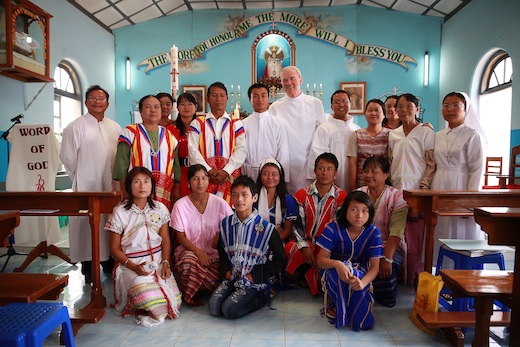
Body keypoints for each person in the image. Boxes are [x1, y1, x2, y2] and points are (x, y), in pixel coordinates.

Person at [60, 85, 122, 283]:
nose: (97, 101)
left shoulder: (115, 126)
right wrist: (82, 177)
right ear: (86, 102)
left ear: (108, 103)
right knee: (89, 227)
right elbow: (68, 158)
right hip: (88, 183)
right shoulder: (75, 126)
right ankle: (89, 265)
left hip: (111, 185)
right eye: (93, 98)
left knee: (111, 222)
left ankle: (110, 261)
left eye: (101, 98)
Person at [106, 167, 182, 327]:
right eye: (137, 182)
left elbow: (166, 240)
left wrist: (166, 263)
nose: (142, 186)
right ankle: (136, 298)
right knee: (156, 306)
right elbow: (114, 249)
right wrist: (134, 267)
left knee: (176, 302)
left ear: (152, 186)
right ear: (129, 186)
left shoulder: (160, 208)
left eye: (146, 181)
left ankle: (144, 298)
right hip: (131, 267)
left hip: (159, 265)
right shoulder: (119, 212)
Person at [209, 175, 285, 319]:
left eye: (245, 195)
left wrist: (255, 276)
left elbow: (280, 258)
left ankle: (262, 296)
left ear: (254, 198)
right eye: (235, 195)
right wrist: (226, 271)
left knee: (228, 310)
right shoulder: (226, 224)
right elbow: (222, 251)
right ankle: (235, 289)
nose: (240, 200)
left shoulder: (266, 228)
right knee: (214, 308)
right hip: (233, 276)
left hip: (253, 280)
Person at [316, 191, 383, 330]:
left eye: (365, 211)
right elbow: (320, 260)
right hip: (333, 270)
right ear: (345, 210)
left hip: (360, 273)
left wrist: (363, 283)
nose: (359, 215)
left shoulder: (373, 232)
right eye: (354, 210)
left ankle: (347, 310)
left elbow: (375, 267)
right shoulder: (333, 228)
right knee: (339, 275)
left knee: (356, 277)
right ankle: (345, 308)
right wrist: (337, 264)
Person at [431, 92, 484, 264]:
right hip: (440, 183)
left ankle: (462, 270)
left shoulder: (472, 135)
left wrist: (470, 199)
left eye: (456, 105)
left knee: (461, 228)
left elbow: (477, 168)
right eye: (446, 105)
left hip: (462, 183)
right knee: (442, 227)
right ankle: (441, 270)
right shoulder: (437, 135)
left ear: (465, 110)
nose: (450, 109)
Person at [388, 93, 435, 285]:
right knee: (398, 232)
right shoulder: (394, 134)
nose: (404, 110)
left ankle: (415, 273)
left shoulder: (425, 132)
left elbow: (431, 163)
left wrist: (424, 185)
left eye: (409, 106)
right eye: (400, 106)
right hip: (398, 190)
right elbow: (391, 161)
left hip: (418, 190)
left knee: (416, 235)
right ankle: (399, 271)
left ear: (416, 109)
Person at [170, 164, 233, 306]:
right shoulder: (180, 205)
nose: (200, 183)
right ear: (188, 182)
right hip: (190, 252)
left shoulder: (220, 203)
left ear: (208, 180)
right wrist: (199, 253)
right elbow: (180, 236)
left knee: (224, 271)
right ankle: (194, 292)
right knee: (188, 263)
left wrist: (219, 239)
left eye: (204, 178)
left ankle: (198, 283)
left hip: (215, 255)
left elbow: (230, 229)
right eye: (195, 179)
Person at [285, 153, 347, 295]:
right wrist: (305, 247)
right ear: (314, 171)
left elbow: (338, 228)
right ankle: (309, 274)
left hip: (327, 248)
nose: (325, 172)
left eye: (329, 169)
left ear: (335, 173)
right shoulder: (301, 195)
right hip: (306, 245)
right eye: (321, 168)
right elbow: (296, 224)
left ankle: (312, 275)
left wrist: (323, 250)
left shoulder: (342, 197)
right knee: (291, 248)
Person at [113, 95, 180, 211]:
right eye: (148, 107)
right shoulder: (130, 132)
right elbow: (121, 164)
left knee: (161, 223)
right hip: (138, 191)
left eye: (156, 107)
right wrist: (124, 191)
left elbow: (176, 165)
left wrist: (177, 187)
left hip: (164, 191)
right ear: (140, 112)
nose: (153, 110)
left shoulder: (169, 135)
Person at [358, 156, 408, 307]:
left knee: (386, 270)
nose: (368, 175)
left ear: (386, 175)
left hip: (388, 246)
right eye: (366, 171)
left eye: (374, 171)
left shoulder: (397, 197)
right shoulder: (358, 194)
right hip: (362, 244)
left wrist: (386, 258)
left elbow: (396, 231)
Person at [269, 66, 326, 194]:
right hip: (285, 163)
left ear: (300, 80)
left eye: (292, 79)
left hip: (307, 162)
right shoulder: (275, 108)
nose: (288, 83)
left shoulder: (315, 104)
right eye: (285, 80)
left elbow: (322, 136)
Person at [188, 82, 247, 205]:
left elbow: (241, 150)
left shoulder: (236, 123)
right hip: (205, 177)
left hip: (229, 177)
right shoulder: (197, 123)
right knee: (206, 210)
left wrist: (226, 171)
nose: (218, 99)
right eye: (214, 95)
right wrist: (208, 171)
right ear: (208, 99)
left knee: (229, 211)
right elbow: (192, 149)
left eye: (222, 95)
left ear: (227, 98)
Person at [308, 90, 360, 192]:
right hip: (331, 182)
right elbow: (318, 157)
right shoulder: (324, 128)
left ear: (350, 104)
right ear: (331, 107)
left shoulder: (356, 129)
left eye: (345, 101)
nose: (341, 104)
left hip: (355, 180)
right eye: (337, 102)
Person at [242, 83, 290, 181]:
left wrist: (281, 177)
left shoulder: (277, 123)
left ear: (268, 98)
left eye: (263, 96)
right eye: (255, 96)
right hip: (248, 173)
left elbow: (282, 152)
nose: (260, 99)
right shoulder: (243, 124)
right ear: (249, 100)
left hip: (271, 175)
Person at [347, 99, 390, 192]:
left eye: (377, 110)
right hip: (361, 184)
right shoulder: (356, 135)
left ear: (384, 114)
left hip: (382, 185)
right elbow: (353, 163)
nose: (373, 113)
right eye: (369, 110)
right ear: (365, 113)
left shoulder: (390, 135)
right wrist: (353, 188)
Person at [255, 158, 297, 243]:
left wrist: (272, 242)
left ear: (280, 176)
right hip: (255, 240)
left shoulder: (287, 200)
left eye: (274, 174)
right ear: (260, 176)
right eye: (265, 174)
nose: (270, 177)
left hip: (278, 242)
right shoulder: (253, 197)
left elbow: (287, 229)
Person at [167, 93, 198, 198]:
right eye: (182, 104)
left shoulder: (202, 127)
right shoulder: (170, 130)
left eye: (190, 104)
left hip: (198, 172)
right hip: (179, 172)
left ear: (196, 107)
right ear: (178, 107)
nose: (186, 107)